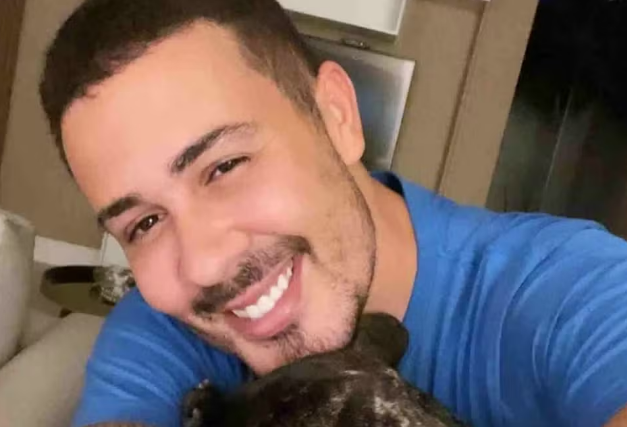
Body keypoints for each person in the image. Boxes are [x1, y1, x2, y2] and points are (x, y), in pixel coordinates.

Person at [39, 0, 627, 426]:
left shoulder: (568, 290)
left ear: (338, 116)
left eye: (224, 166)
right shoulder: (158, 336)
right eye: (144, 223)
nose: (204, 264)